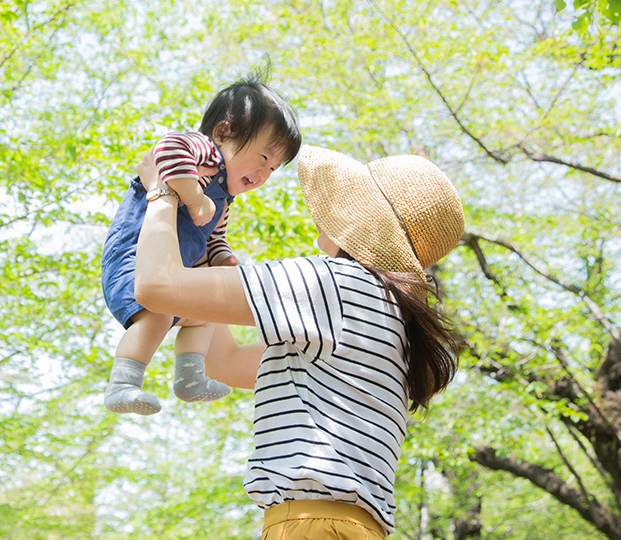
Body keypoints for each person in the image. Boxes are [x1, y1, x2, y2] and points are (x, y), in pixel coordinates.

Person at [134, 145, 464, 538]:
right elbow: (222, 360)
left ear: (359, 219)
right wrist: (204, 243)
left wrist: (164, 191)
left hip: (310, 526)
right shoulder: (388, 314)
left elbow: (156, 285)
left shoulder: (335, 284)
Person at [101, 72, 302, 415]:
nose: (265, 174)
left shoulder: (224, 198)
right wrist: (194, 198)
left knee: (205, 313)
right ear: (224, 132)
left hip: (173, 271)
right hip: (134, 258)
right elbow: (166, 150)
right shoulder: (205, 153)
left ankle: (190, 377)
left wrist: (222, 256)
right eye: (263, 158)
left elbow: (214, 235)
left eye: (274, 169)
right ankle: (123, 383)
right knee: (157, 316)